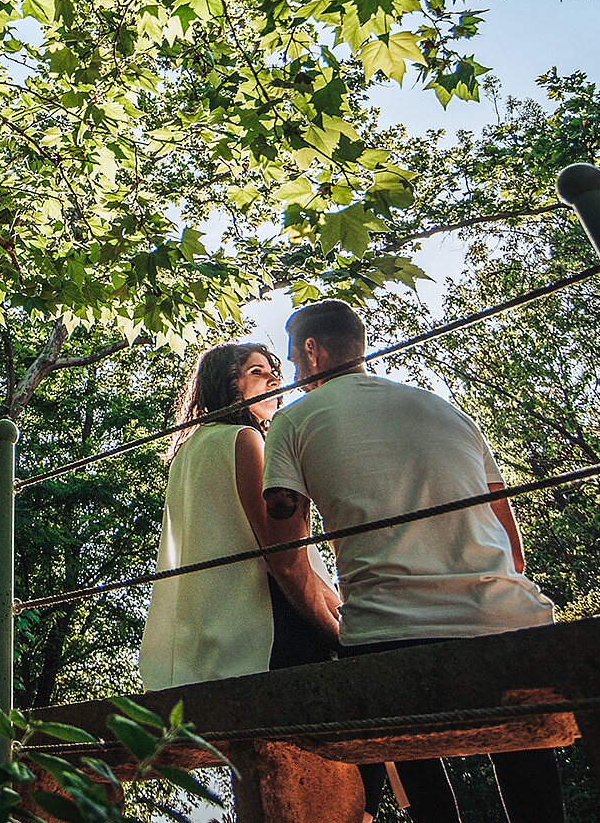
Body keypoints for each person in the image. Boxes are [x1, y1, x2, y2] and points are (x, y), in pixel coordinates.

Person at [259, 298, 565, 823]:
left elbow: (286, 540)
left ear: (311, 351)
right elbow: (506, 529)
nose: (291, 373)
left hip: (390, 629)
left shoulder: (294, 421)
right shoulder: (446, 409)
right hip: (507, 616)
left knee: (407, 752)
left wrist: (322, 616)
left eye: (291, 360)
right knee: (527, 762)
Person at [139, 342, 342, 690]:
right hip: (263, 628)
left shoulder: (189, 451)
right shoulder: (243, 438)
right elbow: (286, 556)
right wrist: (338, 628)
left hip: (210, 636)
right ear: (227, 383)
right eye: (256, 372)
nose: (273, 380)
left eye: (273, 372)